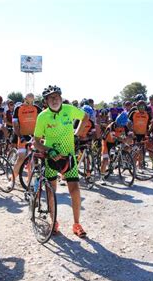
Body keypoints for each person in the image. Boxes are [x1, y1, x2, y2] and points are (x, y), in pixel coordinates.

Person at [33, 85, 89, 238]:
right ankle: (54, 222)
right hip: (51, 158)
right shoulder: (42, 116)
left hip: (68, 157)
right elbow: (36, 142)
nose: (54, 99)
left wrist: (77, 134)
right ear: (46, 101)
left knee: (75, 190)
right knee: (51, 192)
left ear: (61, 97)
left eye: (57, 96)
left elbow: (85, 117)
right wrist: (48, 150)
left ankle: (77, 224)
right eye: (51, 97)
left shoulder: (69, 109)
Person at [12, 93, 41, 180]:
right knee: (21, 158)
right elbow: (15, 125)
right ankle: (12, 180)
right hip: (22, 135)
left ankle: (30, 181)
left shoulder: (36, 108)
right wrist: (20, 137)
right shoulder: (18, 109)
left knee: (33, 159)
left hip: (34, 136)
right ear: (25, 99)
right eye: (28, 102)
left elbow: (44, 117)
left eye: (32, 102)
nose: (30, 104)